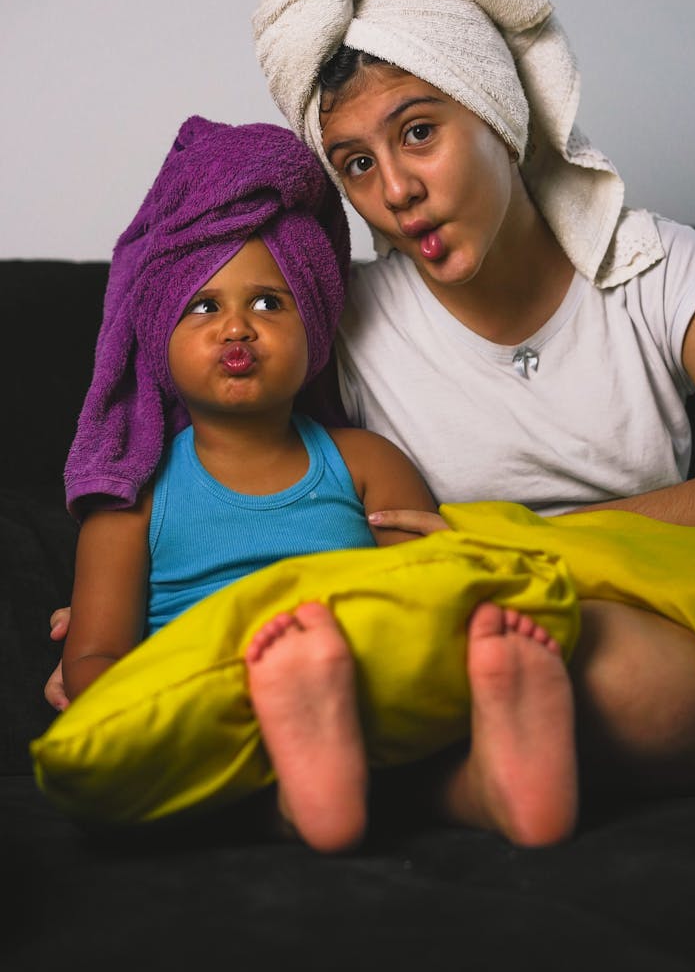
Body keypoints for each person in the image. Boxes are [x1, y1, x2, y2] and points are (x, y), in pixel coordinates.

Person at [48, 0, 695, 811]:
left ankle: (409, 769)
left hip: (619, 608)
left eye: (420, 132)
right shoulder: (334, 317)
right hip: (438, 633)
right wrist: (133, 628)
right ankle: (451, 768)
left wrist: (533, 540)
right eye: (356, 164)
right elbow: (221, 436)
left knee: (627, 678)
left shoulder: (656, 267)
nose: (394, 190)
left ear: (498, 111)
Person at [57, 113, 577, 853]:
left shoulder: (364, 461)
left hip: (357, 693)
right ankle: (318, 789)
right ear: (157, 337)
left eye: (269, 302)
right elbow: (94, 656)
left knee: (412, 721)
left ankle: (492, 782)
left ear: (317, 329)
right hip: (209, 705)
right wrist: (138, 710)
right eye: (204, 307)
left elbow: (418, 600)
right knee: (110, 783)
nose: (237, 328)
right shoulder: (132, 496)